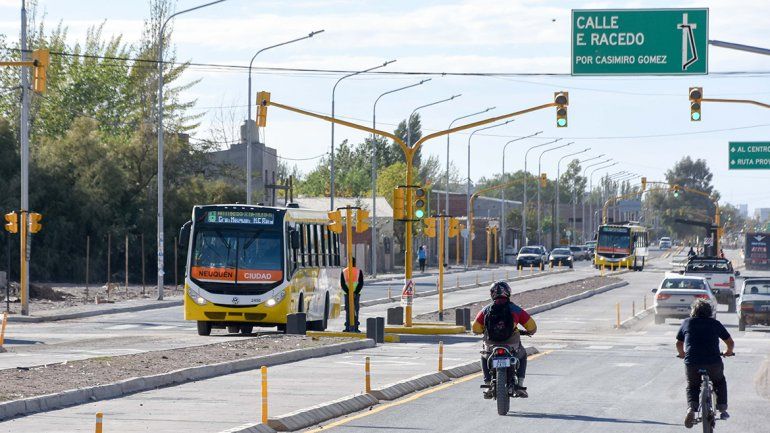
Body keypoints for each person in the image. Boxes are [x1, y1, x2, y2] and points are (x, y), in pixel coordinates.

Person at [676, 298, 735, 428]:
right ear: (710, 312)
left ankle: (691, 409)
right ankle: (722, 408)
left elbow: (679, 343)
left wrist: (682, 354)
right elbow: (730, 342)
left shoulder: (687, 322)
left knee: (692, 385)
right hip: (713, 361)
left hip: (692, 362)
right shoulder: (715, 323)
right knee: (719, 381)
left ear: (693, 311)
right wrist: (728, 351)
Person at [472, 281, 537, 398]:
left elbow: (475, 328)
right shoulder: (515, 309)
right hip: (512, 345)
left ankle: (487, 384)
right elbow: (532, 326)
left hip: (491, 345)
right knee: (522, 355)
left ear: (492, 294)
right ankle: (520, 384)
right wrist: (529, 332)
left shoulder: (486, 310)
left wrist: (483, 331)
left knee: (483, 355)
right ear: (508, 293)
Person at [340, 257, 364, 332]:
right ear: (355, 263)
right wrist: (355, 293)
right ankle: (356, 327)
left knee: (348, 310)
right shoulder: (359, 271)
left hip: (347, 294)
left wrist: (348, 292)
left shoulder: (344, 271)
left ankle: (347, 327)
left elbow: (342, 284)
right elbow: (361, 283)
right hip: (356, 294)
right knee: (355, 310)